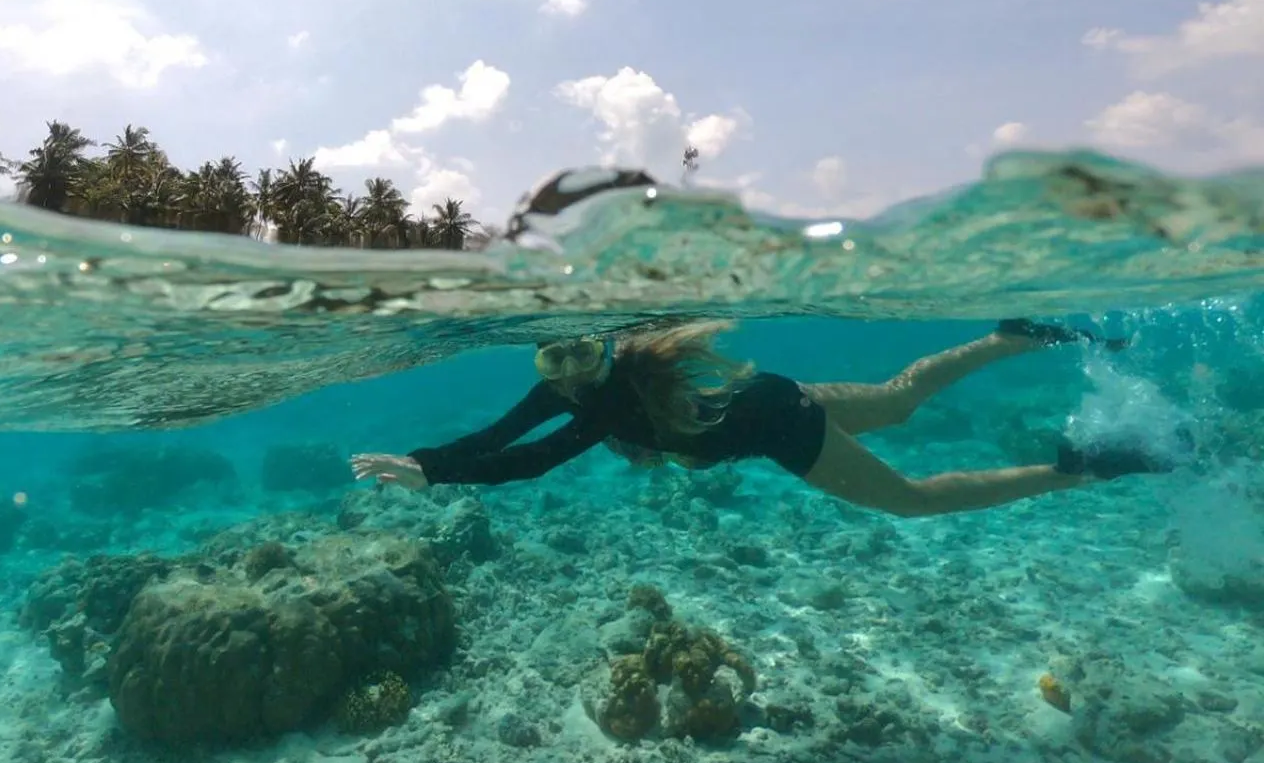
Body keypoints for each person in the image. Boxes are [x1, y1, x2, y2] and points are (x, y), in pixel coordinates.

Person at [350, 318, 1182, 518]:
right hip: (778, 395)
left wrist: (433, 471)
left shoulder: (602, 401)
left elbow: (530, 462)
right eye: (550, 360)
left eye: (579, 357)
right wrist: (431, 462)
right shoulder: (582, 386)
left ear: (603, 352)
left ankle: (1080, 466)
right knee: (898, 396)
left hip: (780, 428)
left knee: (911, 501)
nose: (564, 378)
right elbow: (500, 438)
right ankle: (1012, 337)